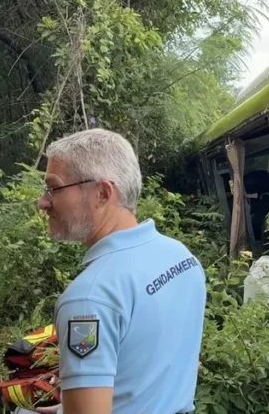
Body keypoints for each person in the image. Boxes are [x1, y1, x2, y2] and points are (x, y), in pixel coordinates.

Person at [37, 129, 207, 414]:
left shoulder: (88, 299)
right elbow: (147, 369)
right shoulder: (181, 257)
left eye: (54, 188)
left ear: (102, 193)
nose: (42, 202)